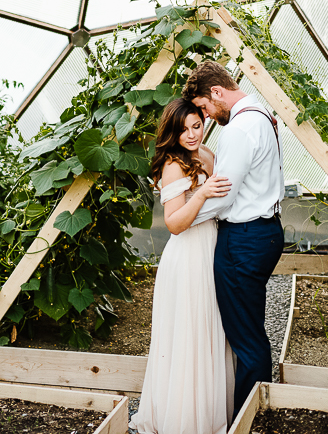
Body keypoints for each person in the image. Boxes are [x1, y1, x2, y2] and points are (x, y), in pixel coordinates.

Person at [182, 60, 285, 418]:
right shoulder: (263, 115)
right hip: (265, 231)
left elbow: (223, 196)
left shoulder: (240, 129)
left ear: (216, 93)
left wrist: (185, 216)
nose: (206, 116)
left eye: (204, 108)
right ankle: (255, 406)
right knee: (250, 326)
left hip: (242, 238)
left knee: (246, 338)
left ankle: (248, 418)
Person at [131, 98, 233, 434]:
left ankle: (207, 412)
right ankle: (185, 420)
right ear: (172, 132)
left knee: (211, 328)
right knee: (191, 333)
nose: (192, 134)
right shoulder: (174, 165)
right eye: (184, 129)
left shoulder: (206, 154)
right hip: (188, 255)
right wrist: (202, 194)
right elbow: (174, 223)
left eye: (196, 125)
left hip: (212, 247)